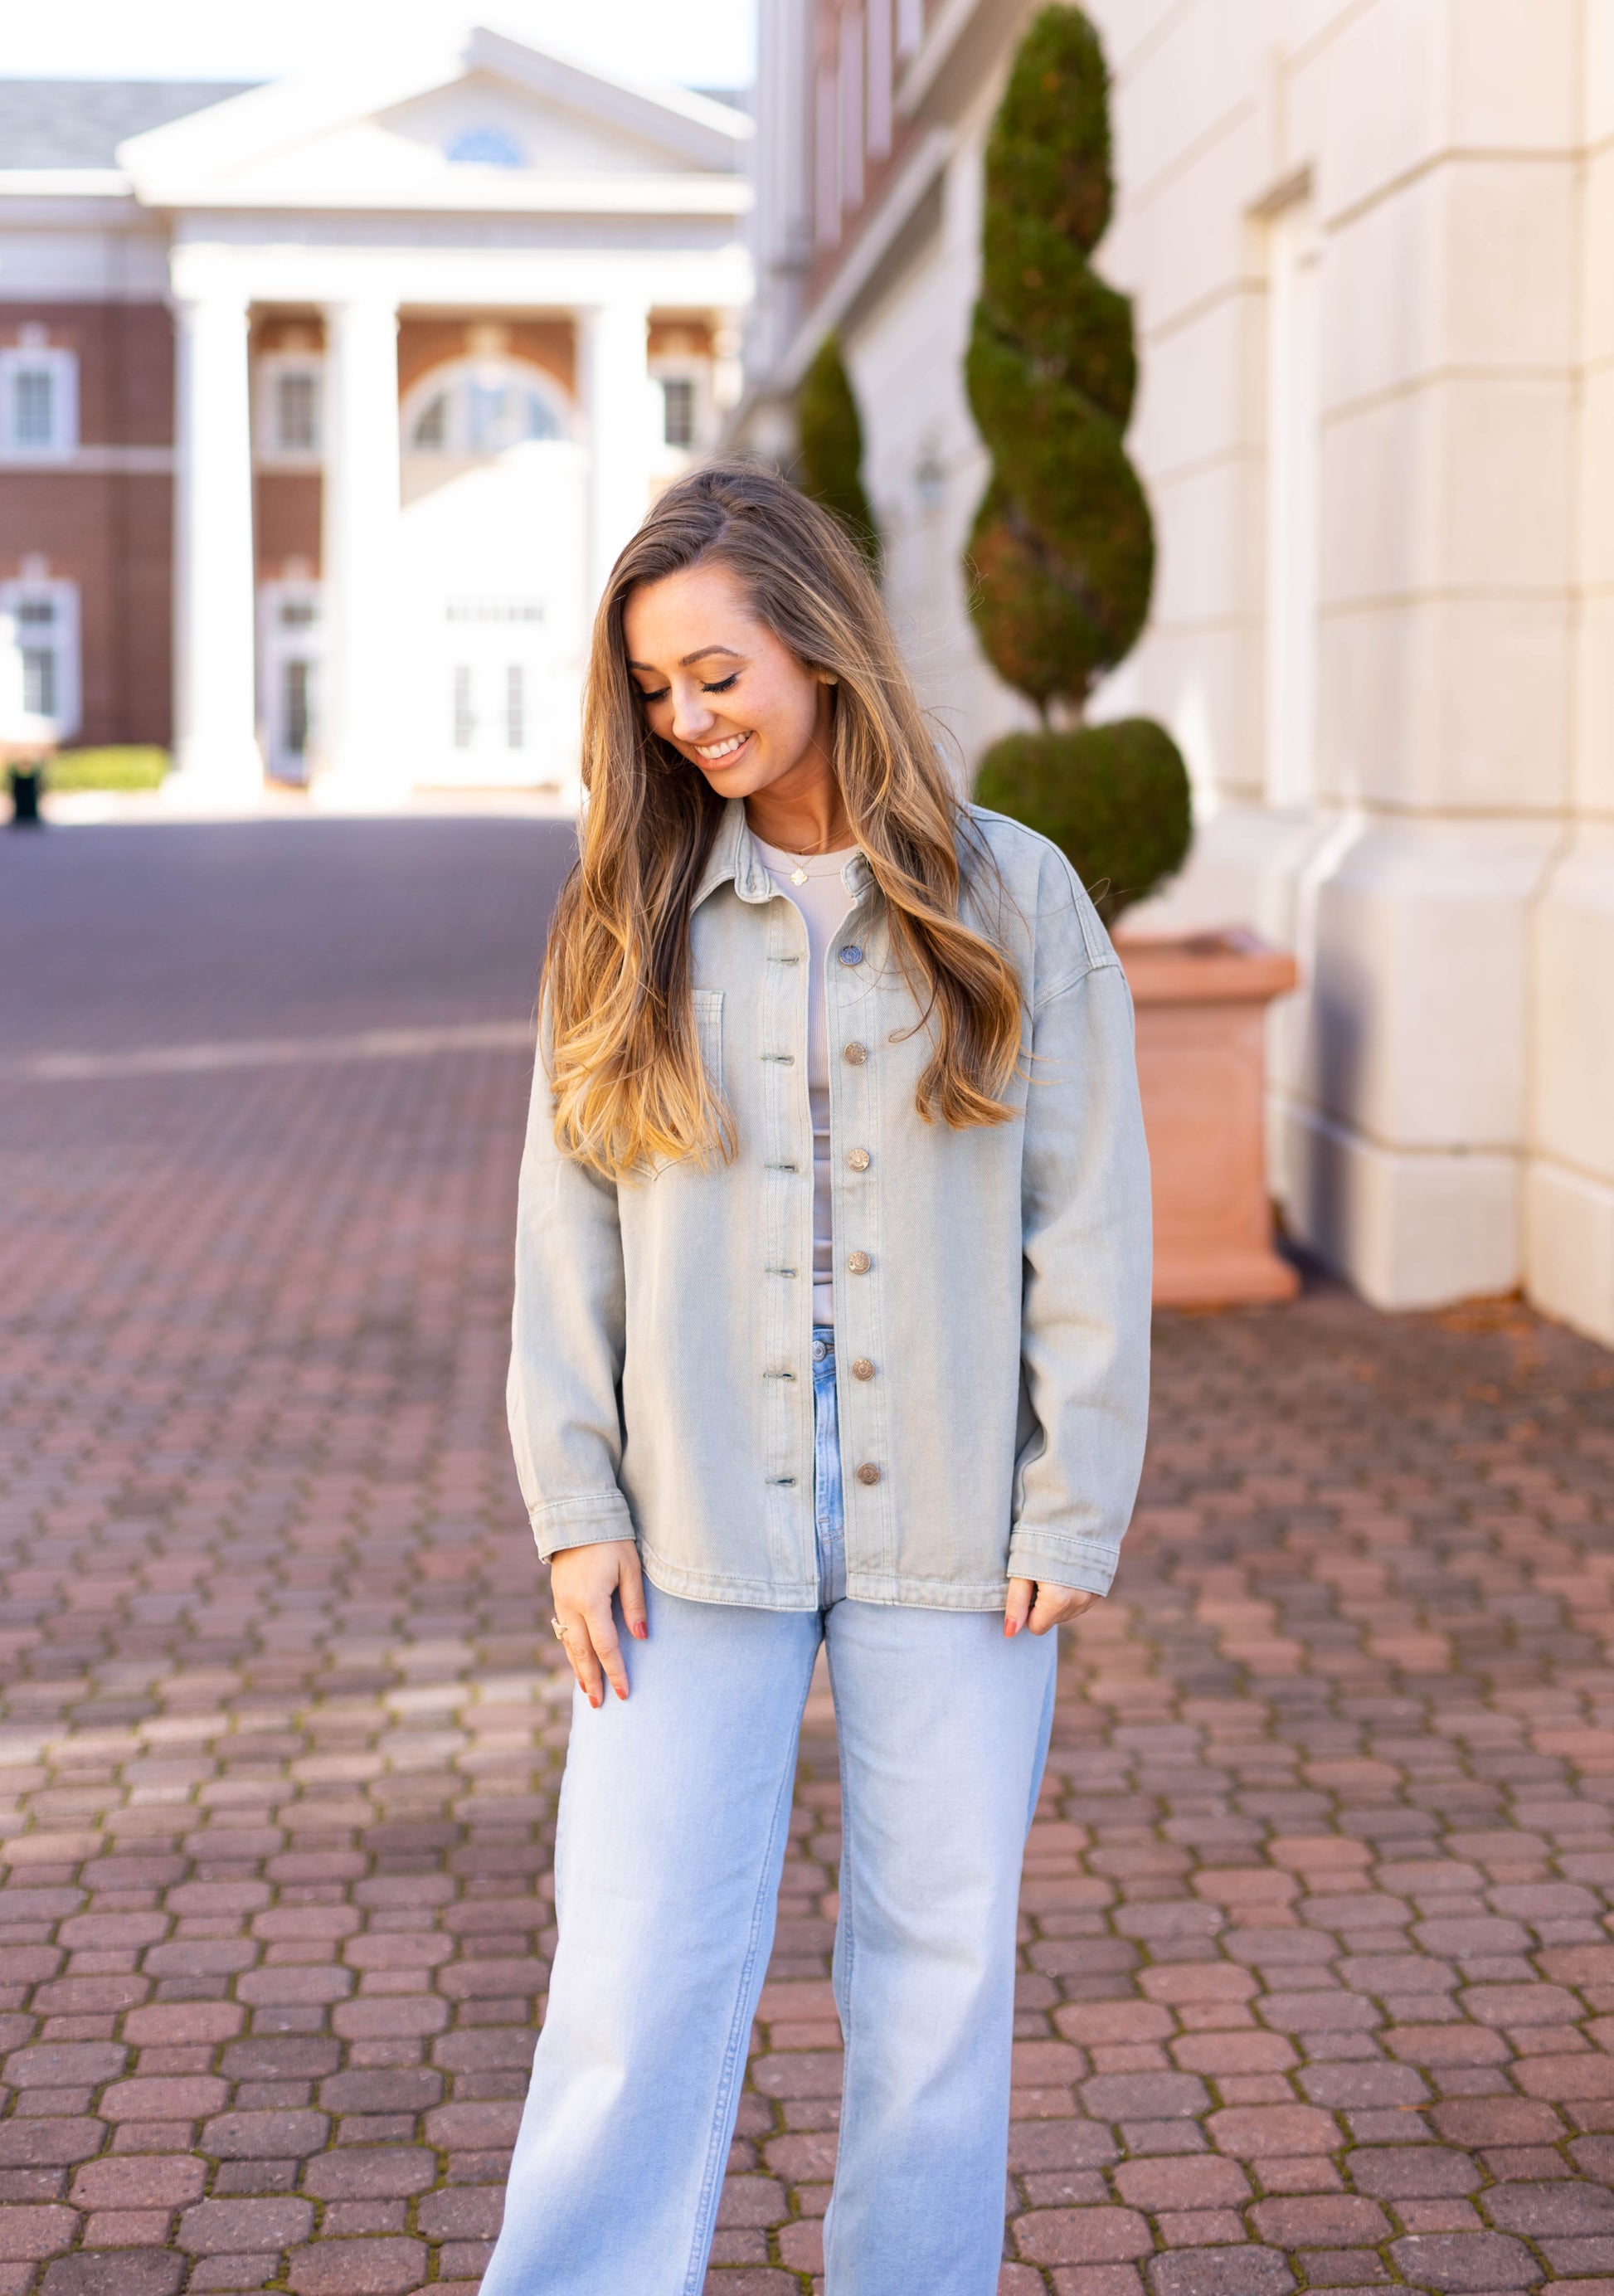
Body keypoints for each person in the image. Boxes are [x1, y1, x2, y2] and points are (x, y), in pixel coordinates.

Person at [483, 461, 1151, 2295]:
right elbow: (568, 1241)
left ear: (818, 639)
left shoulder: (1011, 895)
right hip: (685, 1527)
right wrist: (574, 1511)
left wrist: (1070, 1493)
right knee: (629, 1967)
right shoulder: (625, 914)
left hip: (960, 1522)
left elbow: (1082, 1218)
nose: (687, 718)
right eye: (654, 691)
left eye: (716, 671)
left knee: (939, 1981)